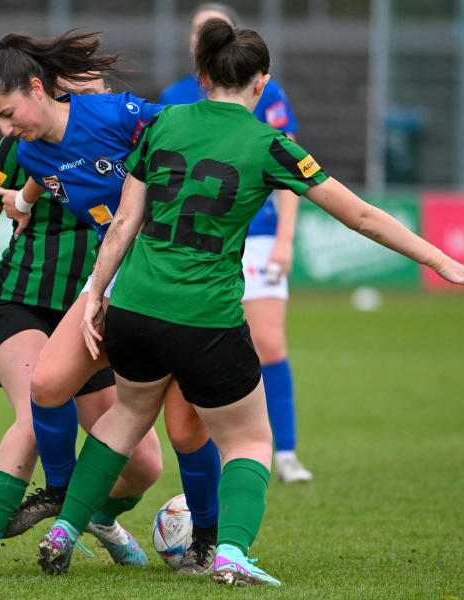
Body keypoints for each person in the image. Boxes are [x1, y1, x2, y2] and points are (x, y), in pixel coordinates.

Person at [36, 18, 464, 587]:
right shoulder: (270, 144)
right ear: (262, 82)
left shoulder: (166, 121)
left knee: (126, 417)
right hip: (205, 315)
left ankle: (64, 531)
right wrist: (438, 260)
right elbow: (360, 215)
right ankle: (230, 553)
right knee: (248, 439)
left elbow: (125, 221)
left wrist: (95, 295)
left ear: (202, 76)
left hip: (134, 302)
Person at [0, 54, 161, 578]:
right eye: (78, 89)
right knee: (37, 406)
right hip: (21, 301)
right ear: (49, 89)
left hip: (92, 309)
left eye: (97, 92)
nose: (88, 99)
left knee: (144, 464)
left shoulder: (119, 135)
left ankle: (97, 519)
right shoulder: (21, 143)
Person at [160, 2, 313, 485]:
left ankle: (284, 453)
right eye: (199, 30)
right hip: (200, 242)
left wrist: (285, 238)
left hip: (259, 233)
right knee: (194, 355)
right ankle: (214, 457)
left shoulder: (264, 88)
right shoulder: (173, 98)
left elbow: (293, 170)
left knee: (269, 344)